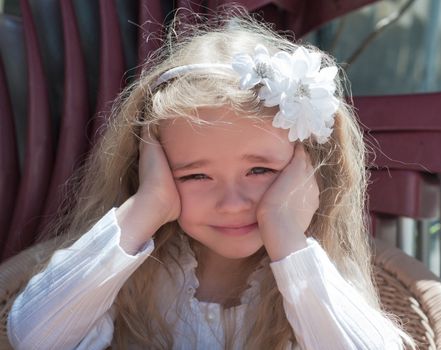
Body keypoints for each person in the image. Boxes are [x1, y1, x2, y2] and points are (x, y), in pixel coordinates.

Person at [6, 12, 414, 350]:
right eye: (196, 174)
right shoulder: (136, 274)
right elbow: (34, 338)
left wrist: (284, 230)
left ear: (306, 170)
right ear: (153, 170)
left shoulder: (319, 274)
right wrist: (146, 206)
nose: (231, 202)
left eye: (260, 170)